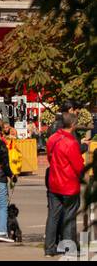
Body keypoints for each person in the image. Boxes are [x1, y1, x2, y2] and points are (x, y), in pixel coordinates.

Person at [45, 109, 85, 256]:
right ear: (73, 124)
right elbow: (78, 165)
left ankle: (49, 248)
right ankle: (69, 248)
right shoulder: (71, 142)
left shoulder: (53, 138)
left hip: (54, 181)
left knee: (53, 216)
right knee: (69, 217)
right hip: (68, 184)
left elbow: (50, 158)